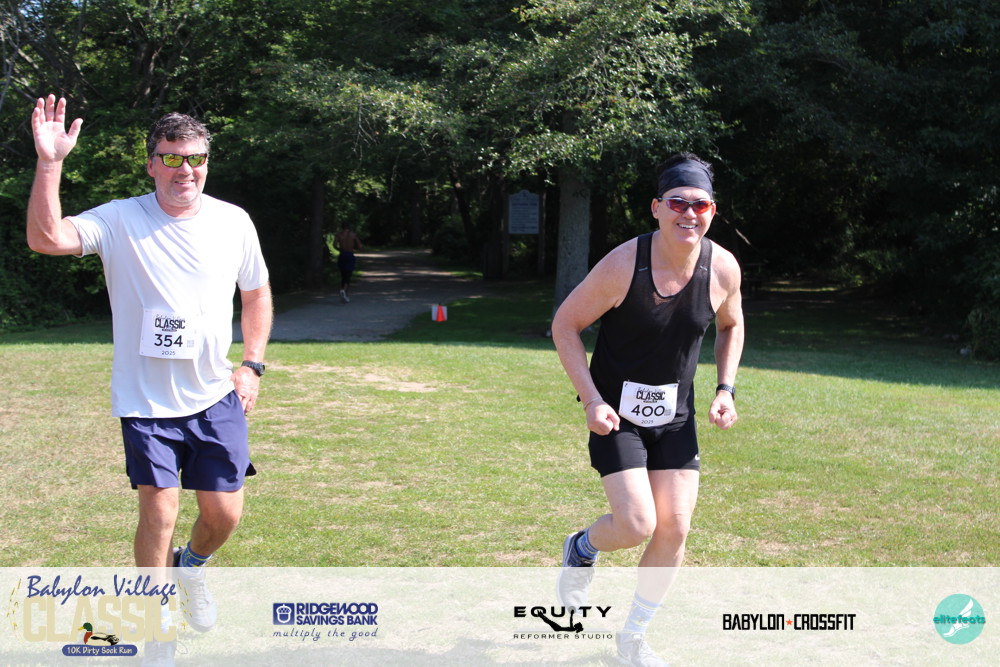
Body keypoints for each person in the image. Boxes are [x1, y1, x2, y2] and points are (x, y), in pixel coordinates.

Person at [26, 95, 272, 662]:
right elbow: (46, 239)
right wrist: (49, 163)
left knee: (224, 514)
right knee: (158, 512)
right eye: (172, 158)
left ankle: (192, 567)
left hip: (215, 394)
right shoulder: (119, 218)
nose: (185, 169)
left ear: (207, 161)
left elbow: (256, 293)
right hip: (145, 402)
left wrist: (252, 364)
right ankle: (157, 629)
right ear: (151, 164)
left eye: (196, 158)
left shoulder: (233, 221)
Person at [551, 153, 744, 666]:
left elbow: (731, 324)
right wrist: (592, 399)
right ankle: (582, 548)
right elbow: (565, 324)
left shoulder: (723, 268)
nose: (689, 213)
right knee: (637, 523)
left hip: (676, 418)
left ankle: (633, 637)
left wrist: (725, 389)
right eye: (677, 203)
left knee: (674, 528)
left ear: (713, 211)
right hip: (616, 415)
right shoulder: (624, 265)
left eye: (700, 204)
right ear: (656, 208)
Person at [334, 223, 363, 303]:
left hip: (342, 254)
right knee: (349, 274)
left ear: (342, 227)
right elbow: (360, 246)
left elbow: (334, 245)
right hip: (350, 254)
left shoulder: (339, 235)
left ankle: (344, 294)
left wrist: (339, 250)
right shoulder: (353, 235)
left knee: (343, 275)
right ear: (349, 227)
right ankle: (344, 291)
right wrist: (356, 249)